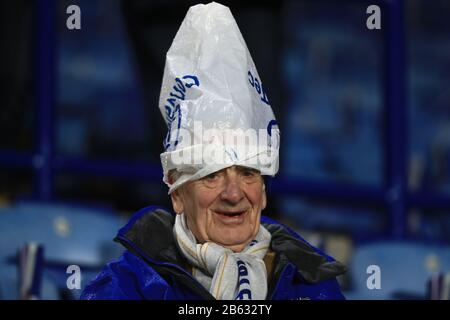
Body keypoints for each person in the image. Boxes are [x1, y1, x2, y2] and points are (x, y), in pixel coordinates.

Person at [81, 2, 346, 300]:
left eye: (248, 173)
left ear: (264, 191)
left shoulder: (314, 286)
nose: (233, 194)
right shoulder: (126, 289)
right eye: (212, 175)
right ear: (177, 192)